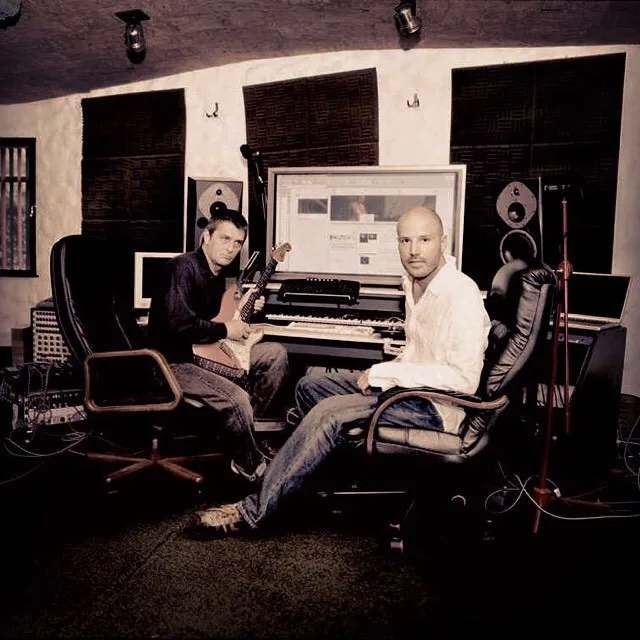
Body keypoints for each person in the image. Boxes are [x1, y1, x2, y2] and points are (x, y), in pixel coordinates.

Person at [186, 205, 490, 536]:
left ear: (443, 242)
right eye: (406, 240)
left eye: (424, 240)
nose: (414, 250)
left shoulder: (460, 294)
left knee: (329, 414)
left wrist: (386, 375)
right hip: (407, 391)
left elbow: (464, 379)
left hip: (434, 408)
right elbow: (420, 353)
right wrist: (390, 368)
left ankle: (252, 512)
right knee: (309, 387)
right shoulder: (416, 284)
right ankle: (306, 472)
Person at [147, 206, 290, 482]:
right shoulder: (182, 268)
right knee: (237, 399)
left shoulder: (219, 275)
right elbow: (181, 325)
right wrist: (227, 329)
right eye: (225, 238)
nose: (231, 248)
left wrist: (245, 307)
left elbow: (219, 318)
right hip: (174, 362)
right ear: (206, 236)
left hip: (207, 351)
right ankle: (249, 465)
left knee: (275, 355)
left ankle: (253, 436)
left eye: (237, 242)